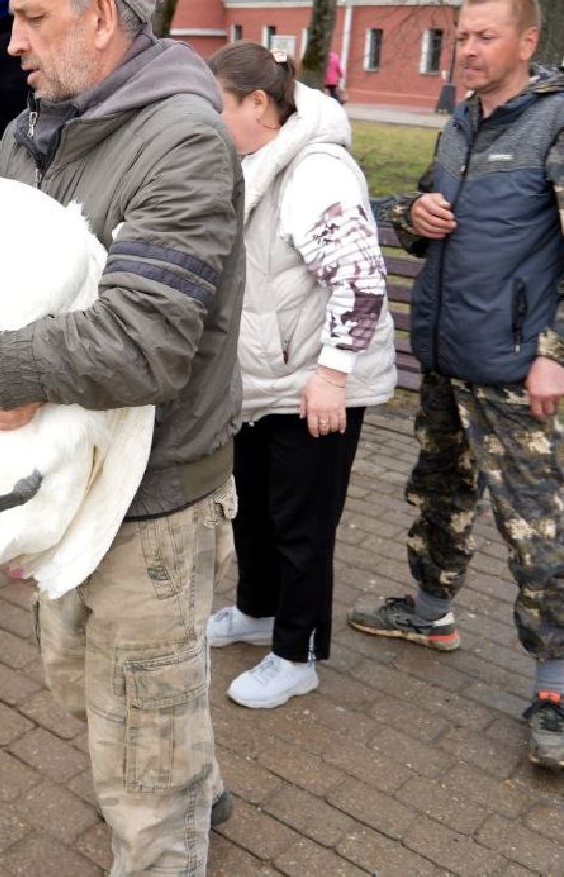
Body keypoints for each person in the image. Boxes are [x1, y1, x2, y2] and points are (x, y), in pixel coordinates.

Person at [0, 0, 244, 874]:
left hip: (152, 498)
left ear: (100, 17)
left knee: (140, 757)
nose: (10, 41)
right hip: (65, 482)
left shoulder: (181, 142)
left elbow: (142, 342)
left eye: (31, 17)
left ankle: (170, 833)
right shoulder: (29, 137)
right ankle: (196, 782)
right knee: (83, 683)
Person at [346, 0, 564, 769]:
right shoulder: (462, 121)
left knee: (530, 526)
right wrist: (414, 213)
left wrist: (558, 355)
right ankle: (432, 612)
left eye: (483, 37)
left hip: (513, 370)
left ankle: (552, 687)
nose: (467, 50)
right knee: (437, 493)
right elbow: (421, 207)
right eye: (460, 36)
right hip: (446, 356)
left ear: (525, 41)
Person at [205, 43, 396, 709]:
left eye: (217, 106)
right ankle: (257, 611)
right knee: (254, 511)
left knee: (300, 525)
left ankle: (296, 653)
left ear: (258, 103)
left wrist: (332, 377)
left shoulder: (316, 170)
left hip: (314, 386)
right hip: (264, 384)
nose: (209, 120)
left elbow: (361, 281)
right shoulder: (256, 161)